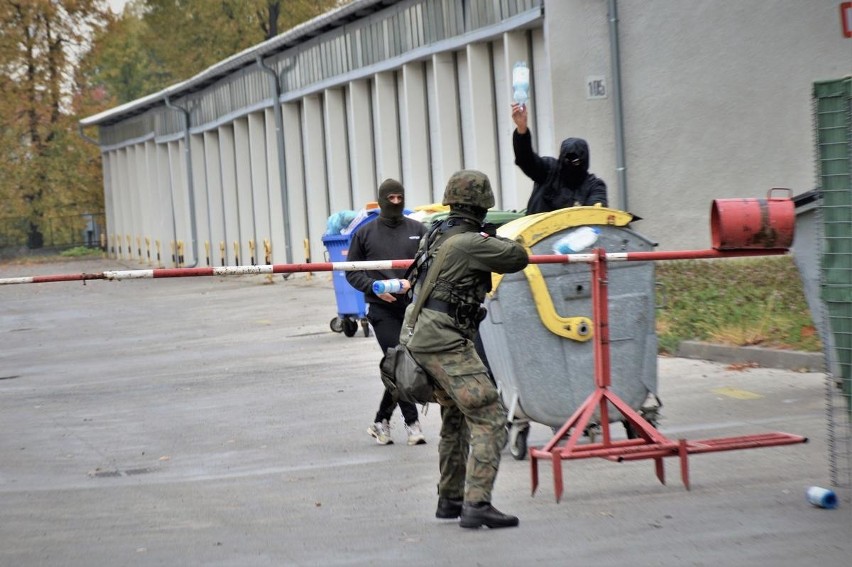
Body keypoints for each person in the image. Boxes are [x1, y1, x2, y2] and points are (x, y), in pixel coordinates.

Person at [401, 170, 529, 529]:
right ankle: (477, 504)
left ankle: (450, 498)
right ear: (483, 205)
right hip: (444, 340)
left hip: (422, 333)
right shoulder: (471, 241)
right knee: (489, 415)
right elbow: (518, 256)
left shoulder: (435, 233)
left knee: (457, 415)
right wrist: (494, 237)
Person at [346, 179, 428, 446]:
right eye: (390, 198)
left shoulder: (419, 230)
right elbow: (351, 271)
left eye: (399, 198)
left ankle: (380, 421)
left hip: (413, 308)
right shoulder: (365, 233)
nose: (395, 203)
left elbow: (431, 265)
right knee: (400, 363)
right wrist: (372, 287)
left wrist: (415, 284)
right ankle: (412, 424)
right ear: (381, 200)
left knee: (402, 368)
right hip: (382, 309)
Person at [511, 102, 608, 214]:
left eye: (575, 161)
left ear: (584, 161)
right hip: (537, 230)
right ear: (561, 158)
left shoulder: (594, 186)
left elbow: (597, 214)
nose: (571, 164)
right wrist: (522, 129)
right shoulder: (548, 171)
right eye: (567, 159)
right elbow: (526, 160)